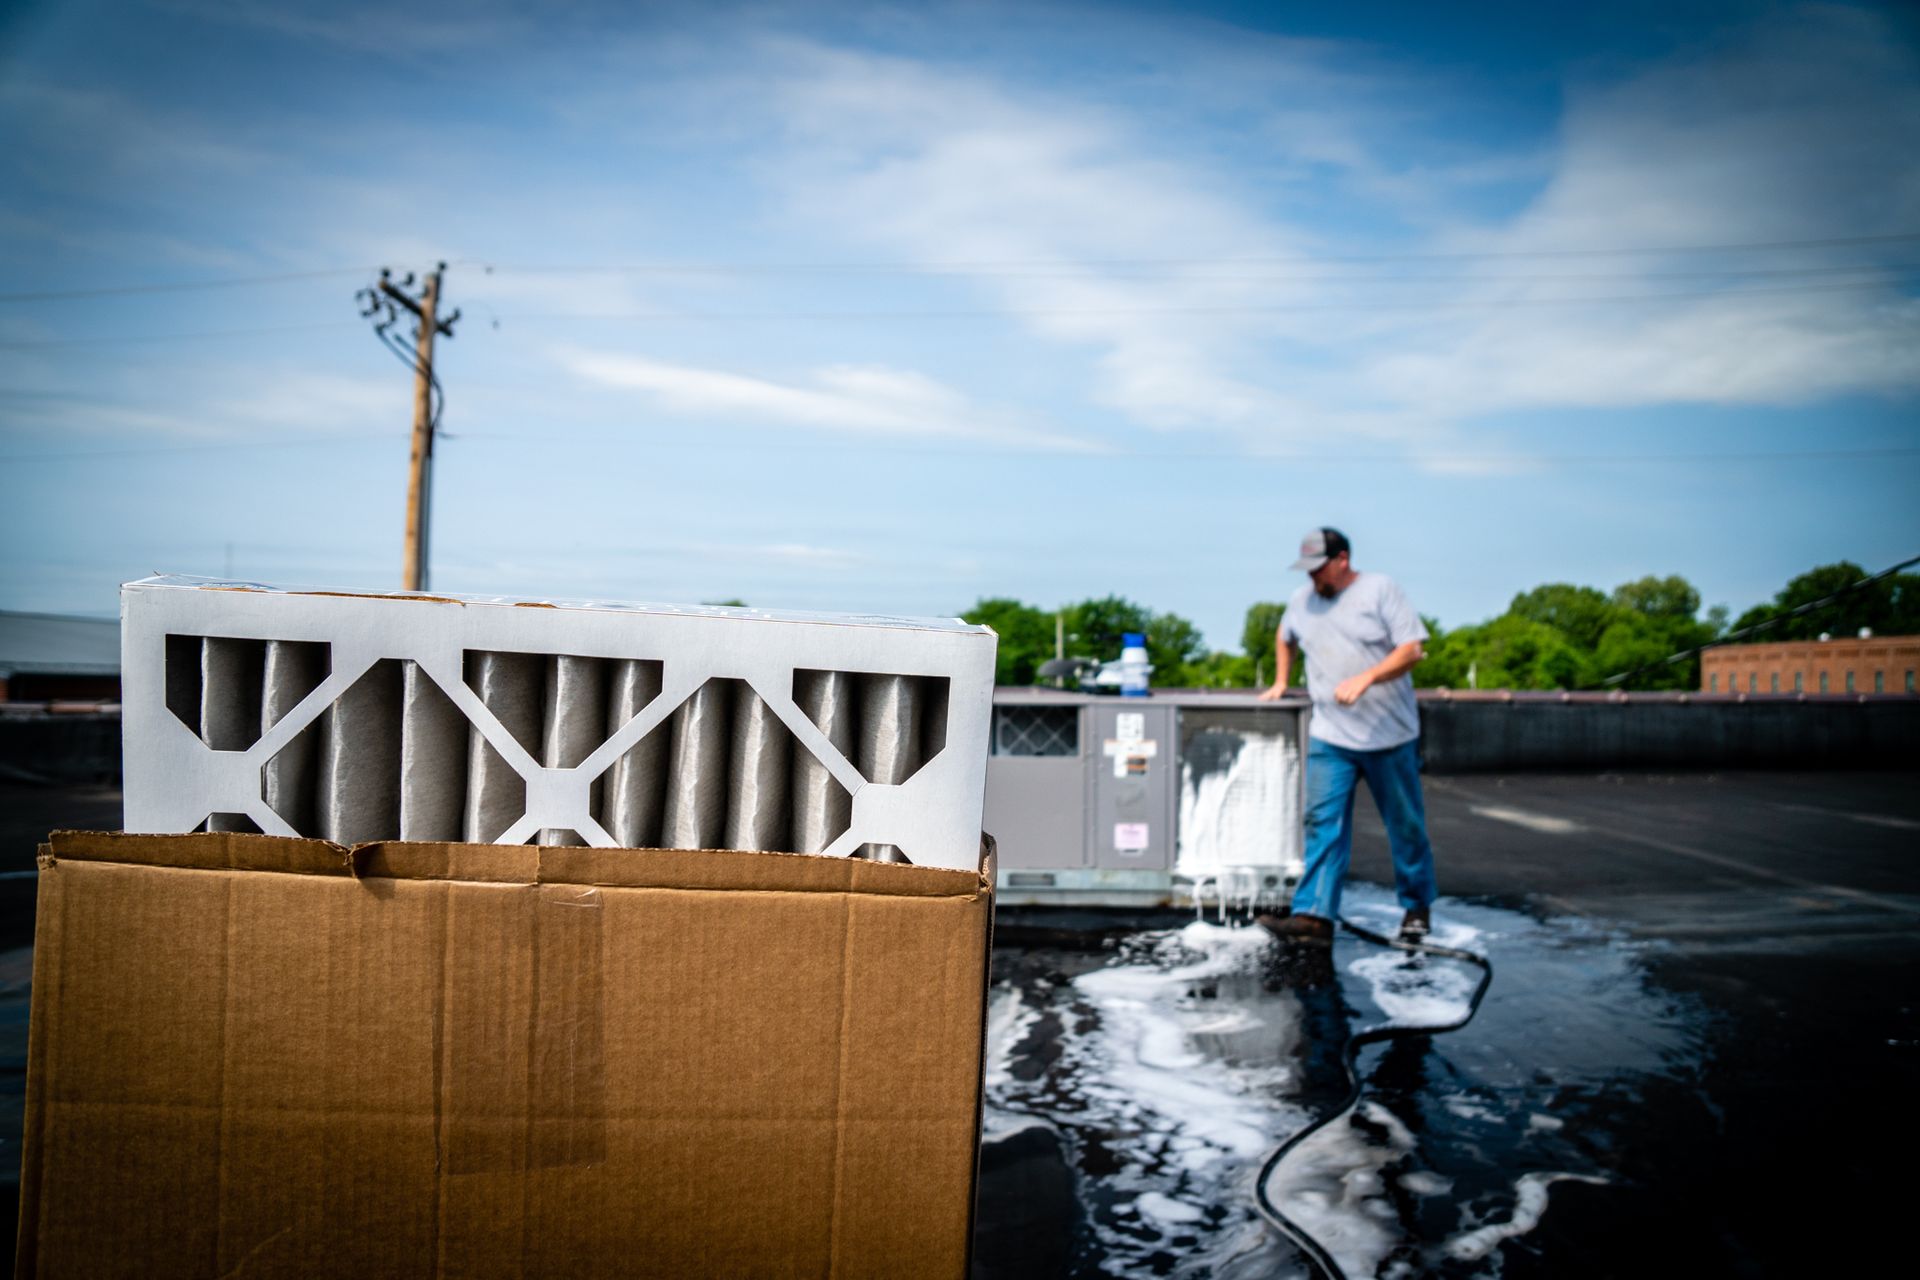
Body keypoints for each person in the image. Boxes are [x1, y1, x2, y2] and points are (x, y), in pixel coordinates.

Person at [1256, 528, 1436, 944]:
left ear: (1342, 560)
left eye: (1319, 568)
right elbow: (1285, 638)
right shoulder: (1302, 601)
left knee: (1405, 825)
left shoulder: (1380, 590)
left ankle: (1416, 906)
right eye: (1308, 570)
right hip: (1331, 736)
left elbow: (1411, 648)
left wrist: (1368, 677)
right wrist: (1282, 681)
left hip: (1389, 735)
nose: (1313, 578)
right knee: (1323, 823)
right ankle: (1314, 916)